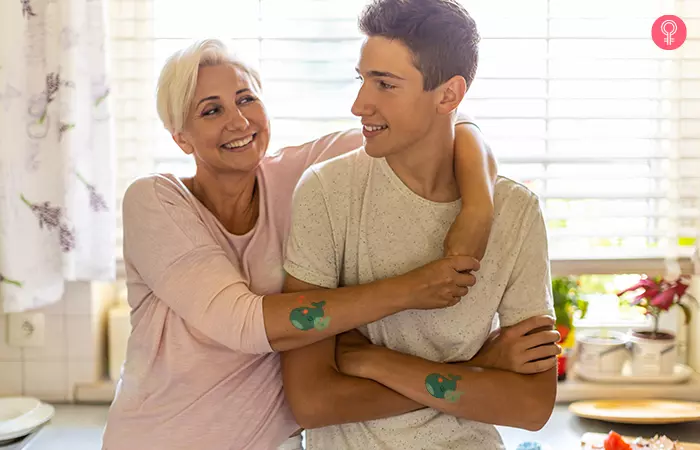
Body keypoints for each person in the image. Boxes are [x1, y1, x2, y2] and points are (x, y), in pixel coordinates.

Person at [101, 37, 500, 450]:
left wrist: (478, 210)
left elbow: (444, 122)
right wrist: (414, 292)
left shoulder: (301, 176)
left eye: (246, 99)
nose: (238, 121)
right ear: (181, 138)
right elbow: (244, 324)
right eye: (212, 110)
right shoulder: (156, 200)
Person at [280, 0, 559, 448]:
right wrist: (477, 374)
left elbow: (531, 406)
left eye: (385, 85)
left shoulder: (517, 211)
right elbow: (313, 401)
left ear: (448, 95)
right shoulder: (327, 192)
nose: (359, 105)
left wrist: (371, 361)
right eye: (363, 79)